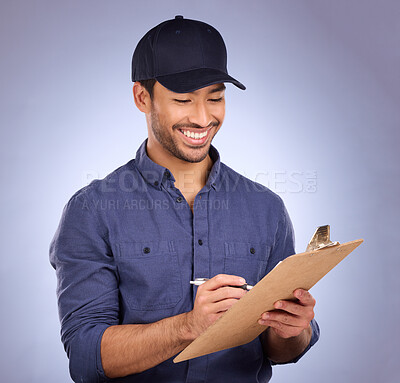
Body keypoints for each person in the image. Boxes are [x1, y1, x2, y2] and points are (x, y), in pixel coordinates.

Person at [50, 15, 319, 383]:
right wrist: (188, 327)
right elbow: (85, 356)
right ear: (142, 97)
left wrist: (293, 329)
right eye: (182, 100)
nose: (202, 117)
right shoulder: (92, 210)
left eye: (215, 98)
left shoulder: (266, 209)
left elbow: (281, 350)